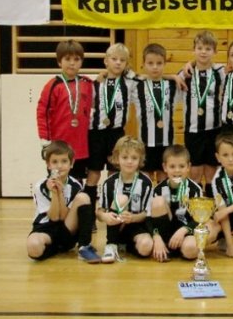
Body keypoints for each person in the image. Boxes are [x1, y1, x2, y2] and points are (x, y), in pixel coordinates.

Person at [85, 43, 138, 230]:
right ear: (106, 61)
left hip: (116, 134)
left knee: (115, 174)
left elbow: (145, 77)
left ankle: (113, 213)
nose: (118, 63)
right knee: (93, 174)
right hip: (96, 134)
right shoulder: (95, 83)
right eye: (114, 59)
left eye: (122, 60)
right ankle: (89, 218)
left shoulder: (129, 82)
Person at [26, 140, 101, 263]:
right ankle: (57, 248)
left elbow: (64, 217)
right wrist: (54, 193)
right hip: (46, 228)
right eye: (55, 162)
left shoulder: (75, 186)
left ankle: (84, 246)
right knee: (33, 247)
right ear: (48, 165)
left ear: (72, 163)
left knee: (83, 197)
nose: (59, 166)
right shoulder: (40, 186)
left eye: (64, 161)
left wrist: (60, 193)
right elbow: (54, 217)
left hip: (67, 229)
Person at [37, 39, 93, 181]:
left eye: (76, 59)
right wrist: (45, 141)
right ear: (59, 62)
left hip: (80, 147)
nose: (72, 63)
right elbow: (42, 113)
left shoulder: (87, 83)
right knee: (56, 182)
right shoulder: (53, 85)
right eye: (67, 59)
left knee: (77, 182)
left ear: (82, 62)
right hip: (58, 146)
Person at [148, 145, 214, 262]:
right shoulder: (158, 190)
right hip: (166, 233)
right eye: (172, 166)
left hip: (185, 233)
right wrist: (156, 237)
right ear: (165, 167)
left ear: (188, 167)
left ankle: (181, 248)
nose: (177, 170)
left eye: (181, 166)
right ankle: (165, 246)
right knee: (158, 202)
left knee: (190, 250)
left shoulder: (195, 190)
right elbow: (149, 218)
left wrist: (184, 230)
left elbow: (199, 220)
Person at [180, 30, 225, 196]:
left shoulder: (220, 71)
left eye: (208, 48)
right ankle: (195, 207)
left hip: (214, 129)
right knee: (195, 171)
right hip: (193, 131)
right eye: (199, 48)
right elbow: (168, 78)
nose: (203, 52)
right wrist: (189, 64)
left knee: (212, 171)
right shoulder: (185, 73)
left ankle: (212, 206)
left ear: (215, 51)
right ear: (194, 50)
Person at [96, 136, 153, 263]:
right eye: (125, 157)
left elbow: (147, 213)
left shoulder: (146, 183)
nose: (129, 161)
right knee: (121, 199)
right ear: (117, 158)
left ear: (140, 160)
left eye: (134, 158)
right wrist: (105, 216)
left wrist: (133, 218)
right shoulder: (109, 183)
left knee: (146, 248)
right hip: (116, 227)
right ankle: (111, 245)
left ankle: (126, 246)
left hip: (137, 227)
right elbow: (99, 212)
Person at [131, 43, 180, 182]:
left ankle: (162, 197)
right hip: (145, 143)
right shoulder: (137, 85)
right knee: (145, 178)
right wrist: (103, 74)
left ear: (165, 64)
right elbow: (124, 72)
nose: (155, 67)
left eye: (159, 63)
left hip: (166, 142)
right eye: (150, 63)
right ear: (143, 64)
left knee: (164, 177)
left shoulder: (172, 86)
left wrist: (173, 77)